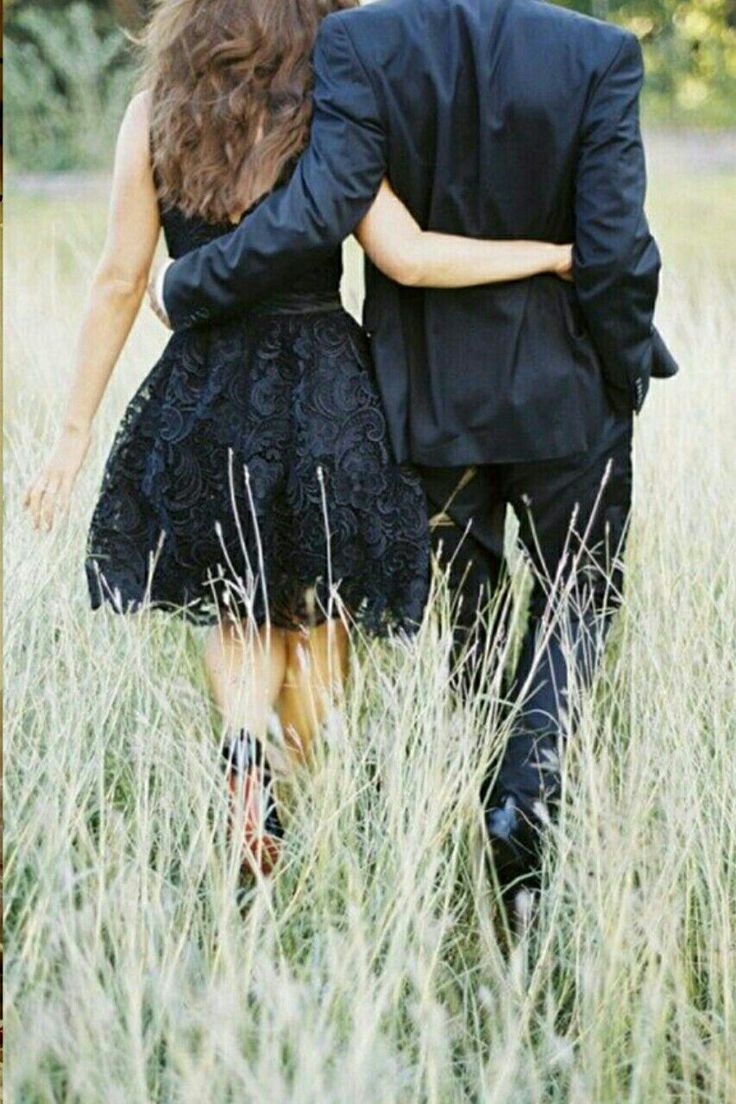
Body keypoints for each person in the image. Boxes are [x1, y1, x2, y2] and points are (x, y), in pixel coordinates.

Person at [23, 0, 575, 879]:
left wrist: (73, 431)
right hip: (324, 385)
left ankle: (243, 756)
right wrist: (548, 255)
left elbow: (121, 279)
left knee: (241, 602)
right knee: (321, 615)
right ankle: (286, 788)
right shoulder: (333, 108)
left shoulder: (155, 107)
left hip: (205, 391)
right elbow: (410, 256)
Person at [147, 0, 679, 911]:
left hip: (430, 398)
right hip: (568, 392)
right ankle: (523, 799)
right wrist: (625, 367)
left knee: (468, 608)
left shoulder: (362, 41)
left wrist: (192, 281)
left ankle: (475, 786)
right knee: (576, 593)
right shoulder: (600, 53)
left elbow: (322, 205)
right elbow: (618, 246)